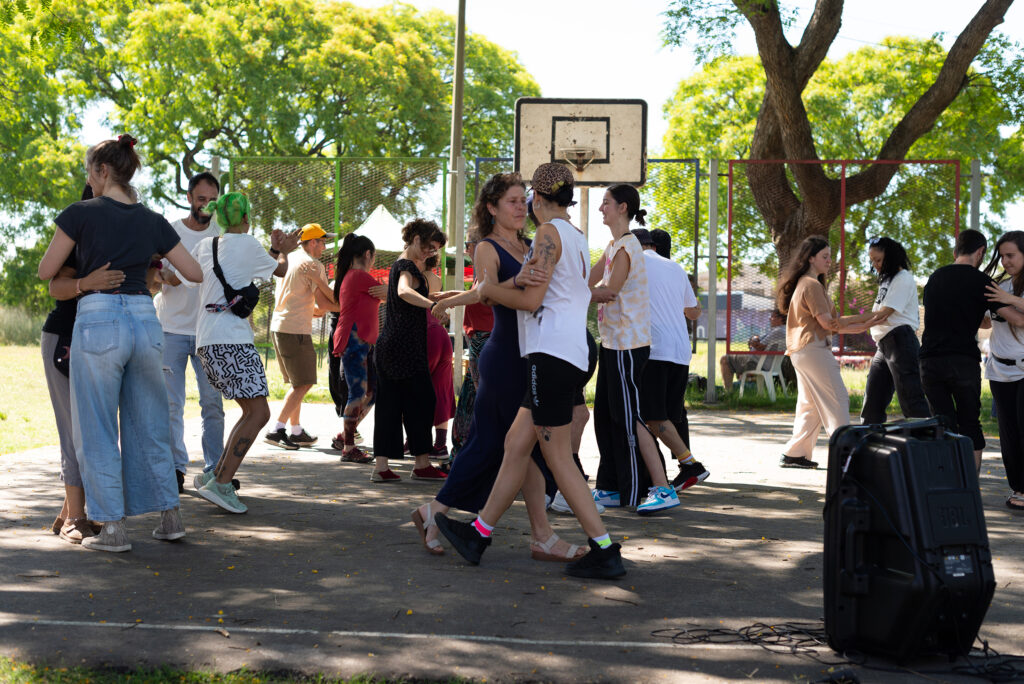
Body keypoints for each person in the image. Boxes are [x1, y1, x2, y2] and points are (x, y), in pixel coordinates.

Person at [435, 162, 626, 579]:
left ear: (539, 199)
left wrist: (485, 290)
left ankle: (605, 549)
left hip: (551, 355)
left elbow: (531, 302)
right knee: (516, 444)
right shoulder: (576, 237)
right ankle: (479, 534)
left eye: (527, 200)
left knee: (557, 456)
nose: (525, 208)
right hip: (566, 352)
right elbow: (560, 292)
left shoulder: (547, 234)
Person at [37, 134, 202, 552]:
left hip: (98, 321)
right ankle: (170, 517)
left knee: (96, 428)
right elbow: (194, 273)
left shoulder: (80, 213)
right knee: (151, 425)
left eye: (89, 173)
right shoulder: (152, 220)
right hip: (147, 321)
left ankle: (112, 530)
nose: (88, 181)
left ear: (102, 170)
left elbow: (46, 271)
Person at [410, 173, 565, 559]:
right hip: (502, 357)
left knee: (521, 448)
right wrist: (519, 279)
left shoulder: (533, 244)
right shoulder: (487, 248)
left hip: (529, 354)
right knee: (494, 443)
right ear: (492, 207)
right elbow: (488, 295)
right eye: (511, 201)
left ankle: (540, 535)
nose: (519, 207)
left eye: (521, 200)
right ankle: (437, 511)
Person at [185, 193, 300, 512]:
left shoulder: (205, 245)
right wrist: (284, 251)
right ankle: (221, 484)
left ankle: (216, 478)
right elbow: (277, 271)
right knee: (260, 413)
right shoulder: (248, 243)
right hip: (232, 341)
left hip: (206, 341)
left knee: (251, 411)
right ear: (246, 216)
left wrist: (276, 250)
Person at [590, 184, 680, 515]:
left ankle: (661, 487)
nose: (601, 208)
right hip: (613, 343)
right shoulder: (613, 245)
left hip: (629, 345)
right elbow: (589, 281)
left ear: (623, 207)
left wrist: (563, 299)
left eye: (606, 203)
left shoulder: (628, 247)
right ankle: (613, 487)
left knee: (630, 418)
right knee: (607, 417)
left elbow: (608, 291)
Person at [42, 184, 124, 544]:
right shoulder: (77, 228)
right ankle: (76, 517)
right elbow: (54, 285)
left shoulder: (132, 230)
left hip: (107, 341)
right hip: (66, 338)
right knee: (74, 431)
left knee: (96, 429)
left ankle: (68, 512)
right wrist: (86, 284)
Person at [919, 229, 1017, 471]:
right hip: (962, 361)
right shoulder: (982, 282)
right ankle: (969, 488)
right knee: (969, 424)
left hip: (929, 361)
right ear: (981, 252)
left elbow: (965, 315)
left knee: (942, 424)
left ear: (956, 251)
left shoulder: (934, 277)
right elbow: (1015, 319)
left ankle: (945, 481)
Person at [776, 236, 875, 469]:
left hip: (803, 350)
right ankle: (847, 457)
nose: (830, 261)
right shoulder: (811, 285)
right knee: (837, 398)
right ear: (810, 258)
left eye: (830, 256)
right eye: (825, 256)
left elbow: (831, 324)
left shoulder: (806, 283)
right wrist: (868, 317)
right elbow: (828, 323)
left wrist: (866, 323)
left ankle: (795, 454)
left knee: (810, 405)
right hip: (812, 350)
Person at [154, 172, 225, 492]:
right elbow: (152, 274)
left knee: (213, 403)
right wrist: (163, 276)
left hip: (208, 333)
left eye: (213, 200)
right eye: (201, 199)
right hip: (169, 329)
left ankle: (216, 469)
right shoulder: (170, 231)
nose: (207, 205)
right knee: (171, 404)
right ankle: (175, 469)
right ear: (189, 198)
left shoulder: (222, 235)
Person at [370, 219, 449, 483]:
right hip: (402, 348)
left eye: (435, 249)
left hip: (394, 346)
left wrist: (434, 299)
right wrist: (430, 305)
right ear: (415, 239)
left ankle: (382, 467)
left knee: (391, 405)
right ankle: (421, 463)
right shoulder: (405, 267)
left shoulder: (403, 265)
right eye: (429, 247)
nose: (431, 253)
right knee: (421, 401)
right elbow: (403, 291)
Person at [630, 227, 708, 492]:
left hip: (655, 349)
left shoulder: (633, 263)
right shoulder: (674, 267)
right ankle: (654, 473)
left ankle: (690, 465)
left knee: (652, 416)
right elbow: (694, 311)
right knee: (666, 416)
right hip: (680, 351)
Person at [265, 222, 337, 449]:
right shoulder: (313, 265)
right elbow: (327, 302)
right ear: (312, 242)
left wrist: (315, 310)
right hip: (294, 330)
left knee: (298, 383)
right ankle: (276, 429)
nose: (325, 246)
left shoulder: (291, 258)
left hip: (280, 326)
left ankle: (295, 430)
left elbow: (309, 302)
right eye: (323, 242)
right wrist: (352, 307)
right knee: (304, 383)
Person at [860, 236, 930, 425]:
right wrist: (844, 326)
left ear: (891, 257)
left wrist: (843, 322)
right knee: (872, 402)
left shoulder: (903, 279)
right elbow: (876, 318)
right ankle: (870, 448)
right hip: (884, 345)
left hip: (900, 341)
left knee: (912, 402)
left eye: (878, 260)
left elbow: (883, 315)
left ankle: (929, 447)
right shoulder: (887, 280)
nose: (875, 265)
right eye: (872, 260)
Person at [330, 232, 386, 463]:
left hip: (364, 342)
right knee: (358, 393)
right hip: (354, 341)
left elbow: (384, 294)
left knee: (371, 394)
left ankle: (345, 436)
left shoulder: (355, 277)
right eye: (373, 257)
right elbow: (390, 292)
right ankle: (349, 448)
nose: (373, 261)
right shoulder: (357, 276)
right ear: (367, 254)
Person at [982, 231, 1024, 509]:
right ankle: (1018, 489)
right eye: (1002, 256)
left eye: (1011, 255)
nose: (1005, 261)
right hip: (999, 370)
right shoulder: (1000, 287)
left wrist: (1007, 302)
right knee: (1009, 434)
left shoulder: (1003, 293)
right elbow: (986, 323)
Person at [449, 227, 494, 459]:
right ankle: (460, 453)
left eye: (469, 244)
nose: (466, 249)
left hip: (484, 340)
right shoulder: (480, 269)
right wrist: (448, 297)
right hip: (476, 340)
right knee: (468, 398)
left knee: (482, 399)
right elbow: (475, 293)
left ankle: (477, 455)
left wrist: (446, 303)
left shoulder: (488, 266)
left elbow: (477, 295)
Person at [423, 254, 456, 458]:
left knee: (415, 387)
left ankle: (414, 440)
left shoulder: (411, 276)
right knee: (441, 390)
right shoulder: (435, 278)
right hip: (441, 335)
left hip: (425, 332)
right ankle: (440, 445)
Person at [720, 309, 787, 388]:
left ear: (780, 319)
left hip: (758, 364)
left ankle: (728, 393)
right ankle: (738, 384)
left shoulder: (778, 331)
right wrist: (755, 340)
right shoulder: (783, 331)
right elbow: (759, 342)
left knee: (725, 359)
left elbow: (759, 346)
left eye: (772, 316)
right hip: (764, 363)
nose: (769, 318)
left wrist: (753, 341)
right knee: (736, 359)